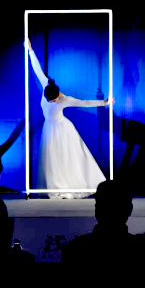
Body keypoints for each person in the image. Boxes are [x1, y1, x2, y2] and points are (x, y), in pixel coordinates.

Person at [25, 38, 113, 199]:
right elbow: (37, 69)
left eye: (54, 99)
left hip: (63, 128)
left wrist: (104, 102)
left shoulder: (64, 99)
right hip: (49, 129)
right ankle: (58, 187)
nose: (53, 101)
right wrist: (30, 50)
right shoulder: (46, 86)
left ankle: (91, 184)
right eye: (51, 100)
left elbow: (84, 103)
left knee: (74, 155)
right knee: (52, 160)